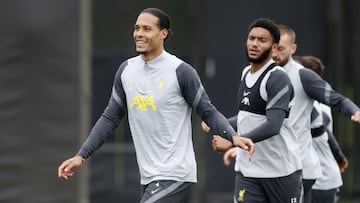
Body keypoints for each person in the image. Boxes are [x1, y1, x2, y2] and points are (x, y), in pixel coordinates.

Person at [57, 7, 254, 203]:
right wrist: (81, 156)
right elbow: (110, 117)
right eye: (137, 28)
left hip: (175, 173)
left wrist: (233, 136)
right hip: (149, 174)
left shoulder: (181, 71)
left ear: (163, 33)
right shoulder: (126, 71)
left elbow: (208, 112)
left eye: (147, 29)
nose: (139, 34)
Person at [203, 18, 303, 203]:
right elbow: (246, 117)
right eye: (251, 38)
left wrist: (232, 142)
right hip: (248, 172)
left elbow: (273, 125)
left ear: (274, 48)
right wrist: (218, 123)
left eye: (262, 40)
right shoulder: (246, 73)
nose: (254, 44)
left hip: (280, 172)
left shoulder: (277, 79)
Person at [272, 24, 360, 203]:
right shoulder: (263, 75)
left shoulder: (303, 78)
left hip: (306, 172)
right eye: (273, 47)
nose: (275, 53)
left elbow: (336, 101)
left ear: (292, 49)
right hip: (275, 167)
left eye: (280, 48)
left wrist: (353, 110)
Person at [294, 55, 348, 203]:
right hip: (306, 177)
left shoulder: (315, 106)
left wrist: (339, 155)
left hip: (322, 181)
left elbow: (321, 130)